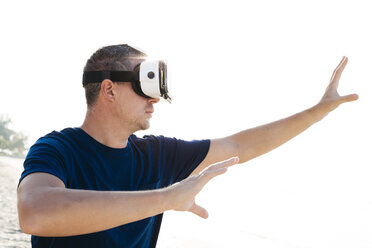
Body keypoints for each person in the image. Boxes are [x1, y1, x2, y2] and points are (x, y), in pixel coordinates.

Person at [17, 44, 358, 248]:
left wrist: (317, 112)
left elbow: (239, 144)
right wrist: (168, 198)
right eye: (145, 86)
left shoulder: (158, 155)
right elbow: (35, 212)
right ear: (108, 90)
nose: (156, 99)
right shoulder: (57, 149)